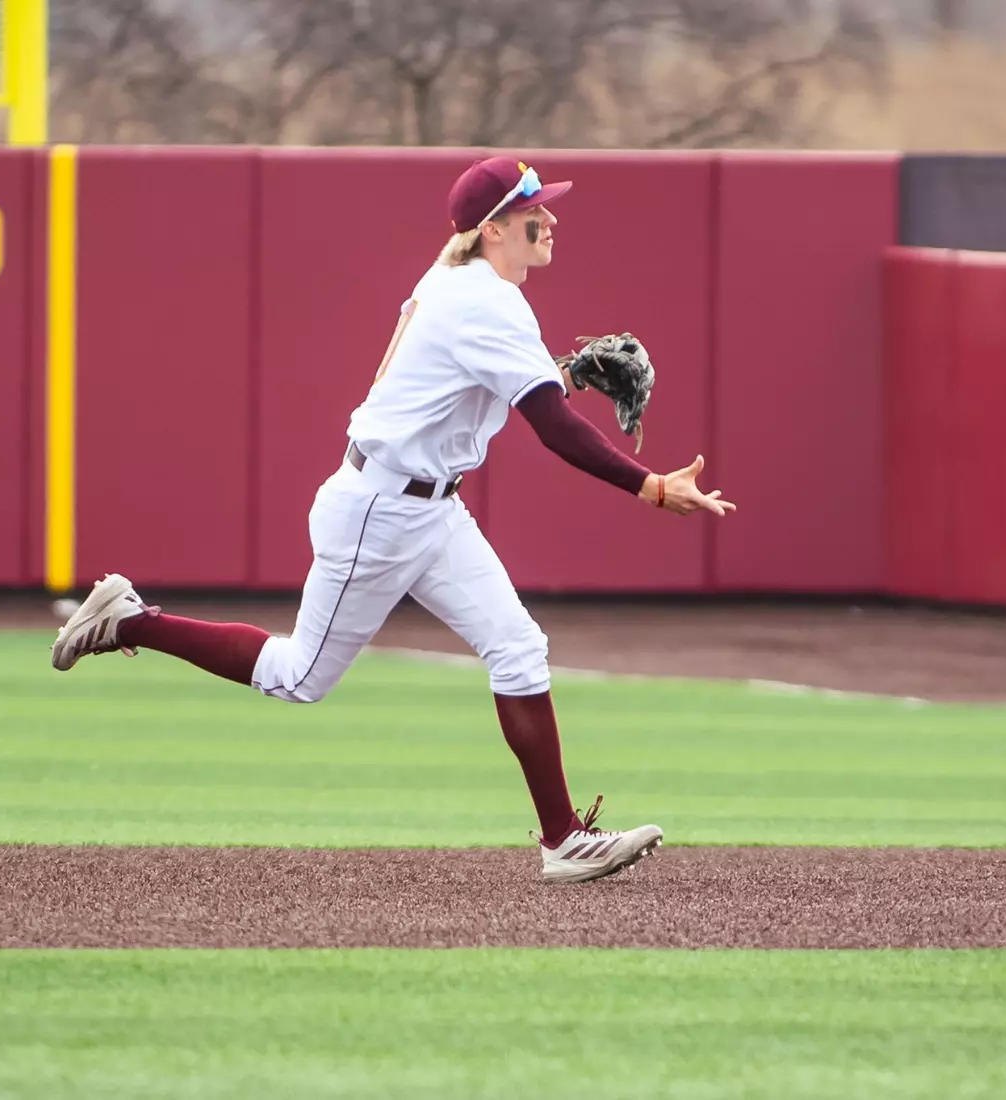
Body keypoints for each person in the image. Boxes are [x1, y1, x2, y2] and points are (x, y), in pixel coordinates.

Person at [49, 155, 735, 884]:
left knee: (518, 650)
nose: (551, 218)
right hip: (379, 512)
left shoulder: (460, 282)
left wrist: (566, 375)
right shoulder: (486, 300)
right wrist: (651, 486)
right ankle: (129, 621)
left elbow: (478, 387)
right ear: (496, 227)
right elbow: (553, 429)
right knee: (298, 676)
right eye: (536, 208)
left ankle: (562, 841)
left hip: (430, 509)